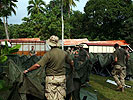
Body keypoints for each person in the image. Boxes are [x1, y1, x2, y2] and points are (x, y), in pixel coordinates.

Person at [24, 35, 74, 100]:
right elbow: (71, 62)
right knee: (61, 96)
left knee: (51, 97)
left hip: (51, 78)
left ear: (50, 44)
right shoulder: (64, 53)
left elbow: (37, 65)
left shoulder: (48, 54)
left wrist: (28, 70)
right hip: (62, 78)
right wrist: (71, 69)